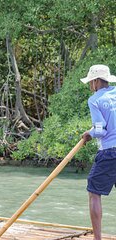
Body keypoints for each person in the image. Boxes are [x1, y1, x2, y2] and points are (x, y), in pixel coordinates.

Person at [81, 64, 116, 240]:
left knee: (94, 192)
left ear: (95, 82)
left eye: (90, 82)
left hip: (110, 152)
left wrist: (89, 134)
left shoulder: (94, 99)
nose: (90, 86)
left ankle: (97, 239)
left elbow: (101, 130)